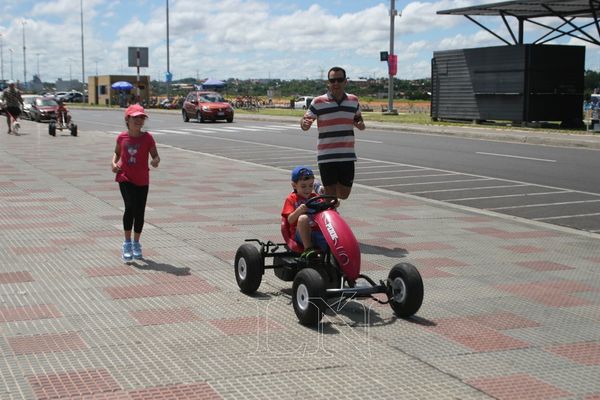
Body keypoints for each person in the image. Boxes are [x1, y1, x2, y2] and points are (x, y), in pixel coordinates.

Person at [300, 66, 366, 201]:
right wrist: (304, 124)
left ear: (345, 82)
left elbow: (358, 119)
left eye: (339, 80)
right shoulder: (318, 102)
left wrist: (361, 125)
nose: (336, 83)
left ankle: (319, 188)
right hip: (327, 156)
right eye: (332, 80)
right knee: (331, 198)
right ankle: (331, 219)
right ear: (328, 83)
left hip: (347, 155)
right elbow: (305, 122)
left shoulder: (353, 100)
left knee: (344, 194)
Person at [111, 104, 160, 262]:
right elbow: (117, 153)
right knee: (130, 207)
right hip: (124, 176)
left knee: (140, 212)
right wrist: (113, 163)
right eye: (135, 118)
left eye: (142, 118)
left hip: (142, 179)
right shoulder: (122, 137)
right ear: (127, 119)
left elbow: (155, 156)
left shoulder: (148, 138)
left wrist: (156, 161)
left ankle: (136, 243)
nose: (139, 120)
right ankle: (126, 243)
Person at [281, 166, 328, 260]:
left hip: (316, 232)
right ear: (294, 185)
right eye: (303, 186)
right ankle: (308, 249)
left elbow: (325, 207)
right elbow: (290, 220)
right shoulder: (291, 199)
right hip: (299, 233)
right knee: (303, 218)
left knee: (332, 243)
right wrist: (299, 210)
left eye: (310, 186)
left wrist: (332, 204)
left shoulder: (315, 197)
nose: (307, 189)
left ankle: (337, 263)